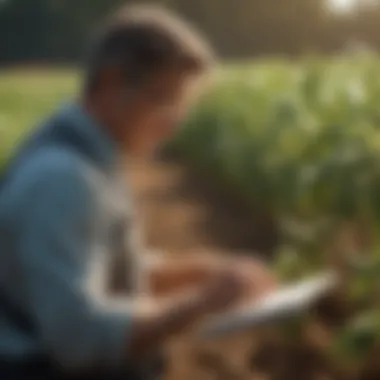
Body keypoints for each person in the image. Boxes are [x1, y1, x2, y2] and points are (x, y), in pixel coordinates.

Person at [0, 4, 276, 379]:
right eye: (166, 102)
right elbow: (80, 338)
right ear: (113, 83)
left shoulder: (82, 155)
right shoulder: (63, 180)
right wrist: (199, 305)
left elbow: (100, 267)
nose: (173, 125)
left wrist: (202, 272)